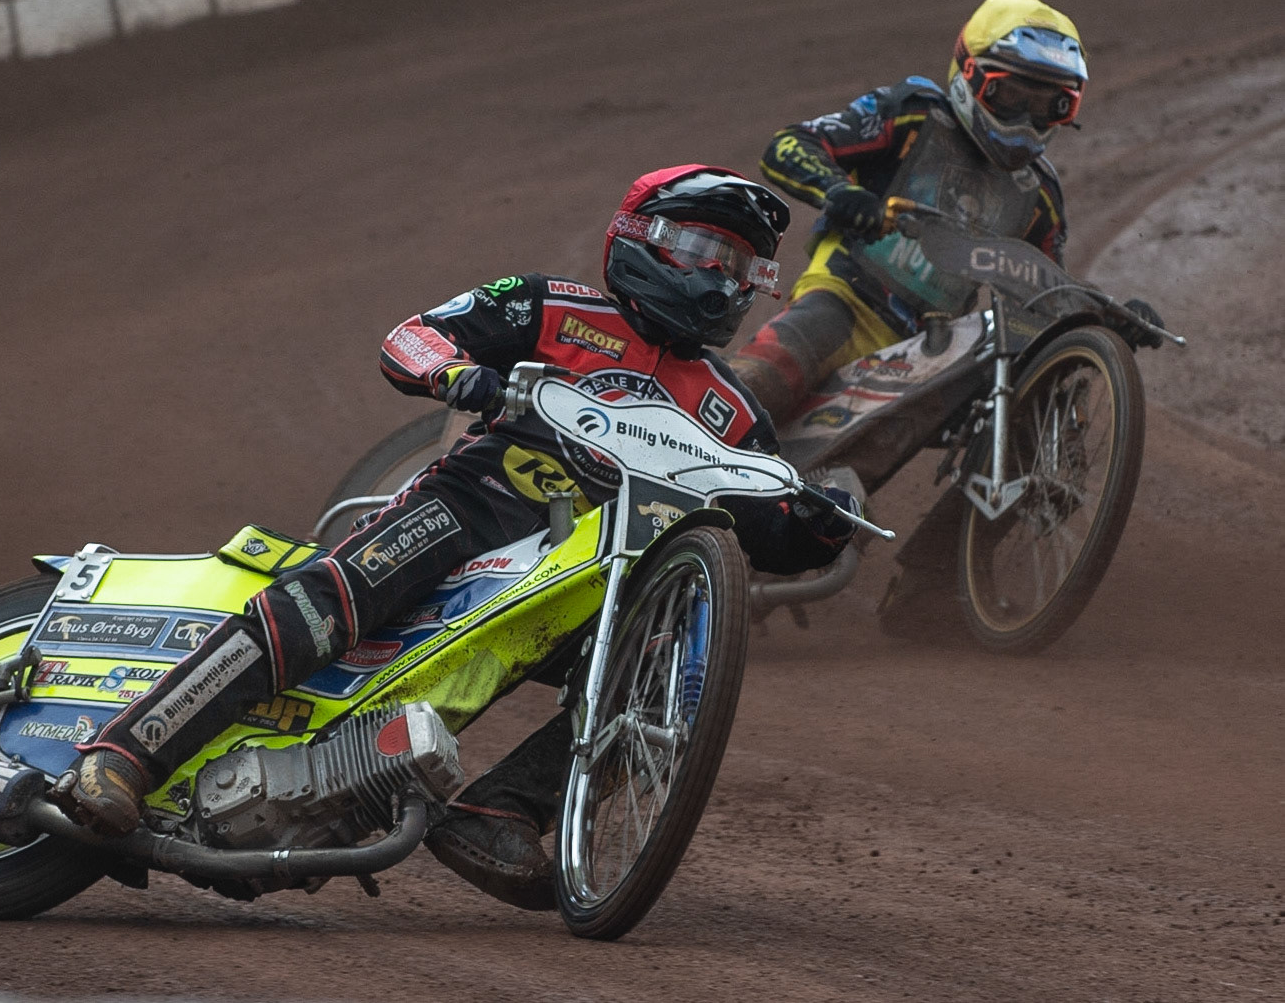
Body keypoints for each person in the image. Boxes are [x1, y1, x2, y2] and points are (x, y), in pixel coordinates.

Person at [51, 165, 862, 909]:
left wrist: (821, 525)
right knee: (334, 600)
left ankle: (499, 809)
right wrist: (458, 374)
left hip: (590, 578)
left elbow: (772, 527)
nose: (718, 274)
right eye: (701, 249)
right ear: (640, 239)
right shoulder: (553, 304)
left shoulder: (731, 409)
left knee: (664, 679)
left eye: (737, 263)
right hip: (475, 503)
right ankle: (125, 753)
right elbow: (412, 336)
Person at [731, 0, 1160, 633]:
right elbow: (789, 145)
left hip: (933, 348)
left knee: (1031, 406)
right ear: (970, 75)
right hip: (845, 295)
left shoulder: (1038, 194)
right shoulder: (911, 114)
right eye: (1011, 96)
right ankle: (651, 473)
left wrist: (1105, 318)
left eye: (1049, 105)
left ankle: (933, 586)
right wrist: (841, 192)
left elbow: (1045, 292)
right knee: (764, 380)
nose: (1027, 119)